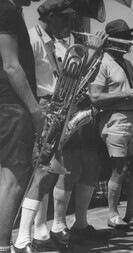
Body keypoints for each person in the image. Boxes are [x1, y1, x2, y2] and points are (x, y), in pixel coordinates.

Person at [14, 1, 109, 251]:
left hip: (59, 109)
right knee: (43, 171)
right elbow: (22, 75)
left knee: (49, 173)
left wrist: (92, 56)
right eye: (64, 19)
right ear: (52, 17)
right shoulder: (32, 38)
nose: (68, 24)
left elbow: (71, 76)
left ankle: (36, 235)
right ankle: (23, 239)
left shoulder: (55, 42)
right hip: (44, 107)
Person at [89, 19, 133, 228]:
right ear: (115, 40)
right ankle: (112, 214)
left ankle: (132, 213)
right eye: (126, 38)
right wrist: (126, 93)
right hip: (114, 119)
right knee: (120, 169)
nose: (130, 42)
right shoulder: (102, 63)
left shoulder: (127, 63)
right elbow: (95, 97)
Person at [0, 1, 44, 252]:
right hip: (11, 106)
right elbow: (11, 65)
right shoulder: (6, 10)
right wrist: (34, 109)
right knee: (11, 181)